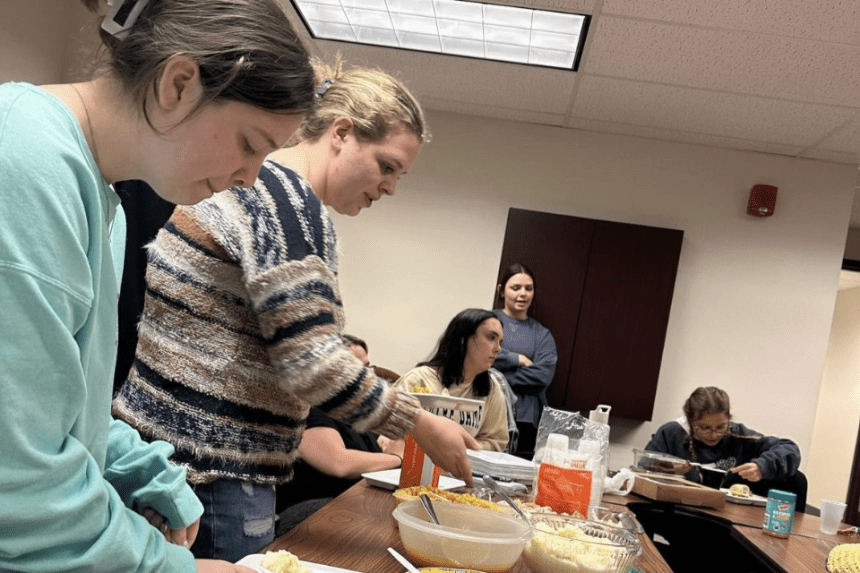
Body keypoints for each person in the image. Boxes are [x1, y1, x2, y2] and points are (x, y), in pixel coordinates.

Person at [112, 57, 480, 561]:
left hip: (165, 456)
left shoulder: (252, 186)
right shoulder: (286, 203)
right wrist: (421, 424)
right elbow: (312, 362)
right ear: (342, 132)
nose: (391, 187)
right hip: (216, 467)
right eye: (387, 166)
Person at [0, 0, 318, 571]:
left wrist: (150, 471)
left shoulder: (109, 207)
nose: (249, 180)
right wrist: (171, 567)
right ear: (178, 84)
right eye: (251, 144)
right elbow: (15, 484)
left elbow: (64, 411)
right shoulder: (23, 164)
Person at [275, 335, 404, 534]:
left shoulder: (355, 410)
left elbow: (371, 451)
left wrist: (383, 445)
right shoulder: (308, 406)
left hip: (356, 502)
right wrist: (394, 458)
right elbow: (339, 462)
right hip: (315, 510)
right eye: (355, 369)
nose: (367, 378)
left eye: (367, 368)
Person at [644, 386, 805, 508]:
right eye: (704, 428)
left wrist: (762, 466)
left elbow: (789, 448)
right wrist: (665, 467)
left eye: (720, 427)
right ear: (691, 422)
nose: (713, 435)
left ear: (728, 419)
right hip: (681, 510)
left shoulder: (738, 434)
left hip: (725, 513)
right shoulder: (672, 433)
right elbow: (643, 465)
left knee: (797, 479)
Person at [394, 308, 511, 452]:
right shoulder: (418, 379)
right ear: (463, 339)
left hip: (462, 469)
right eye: (491, 338)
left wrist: (459, 449)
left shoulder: (491, 387)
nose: (498, 348)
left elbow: (496, 442)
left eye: (500, 341)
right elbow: (389, 433)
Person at [492, 263, 558, 458]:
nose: (523, 294)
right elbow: (476, 358)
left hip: (526, 421)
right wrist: (517, 359)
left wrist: (497, 377)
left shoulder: (542, 335)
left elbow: (541, 377)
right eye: (515, 288)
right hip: (489, 413)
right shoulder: (487, 322)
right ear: (501, 291)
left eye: (528, 289)